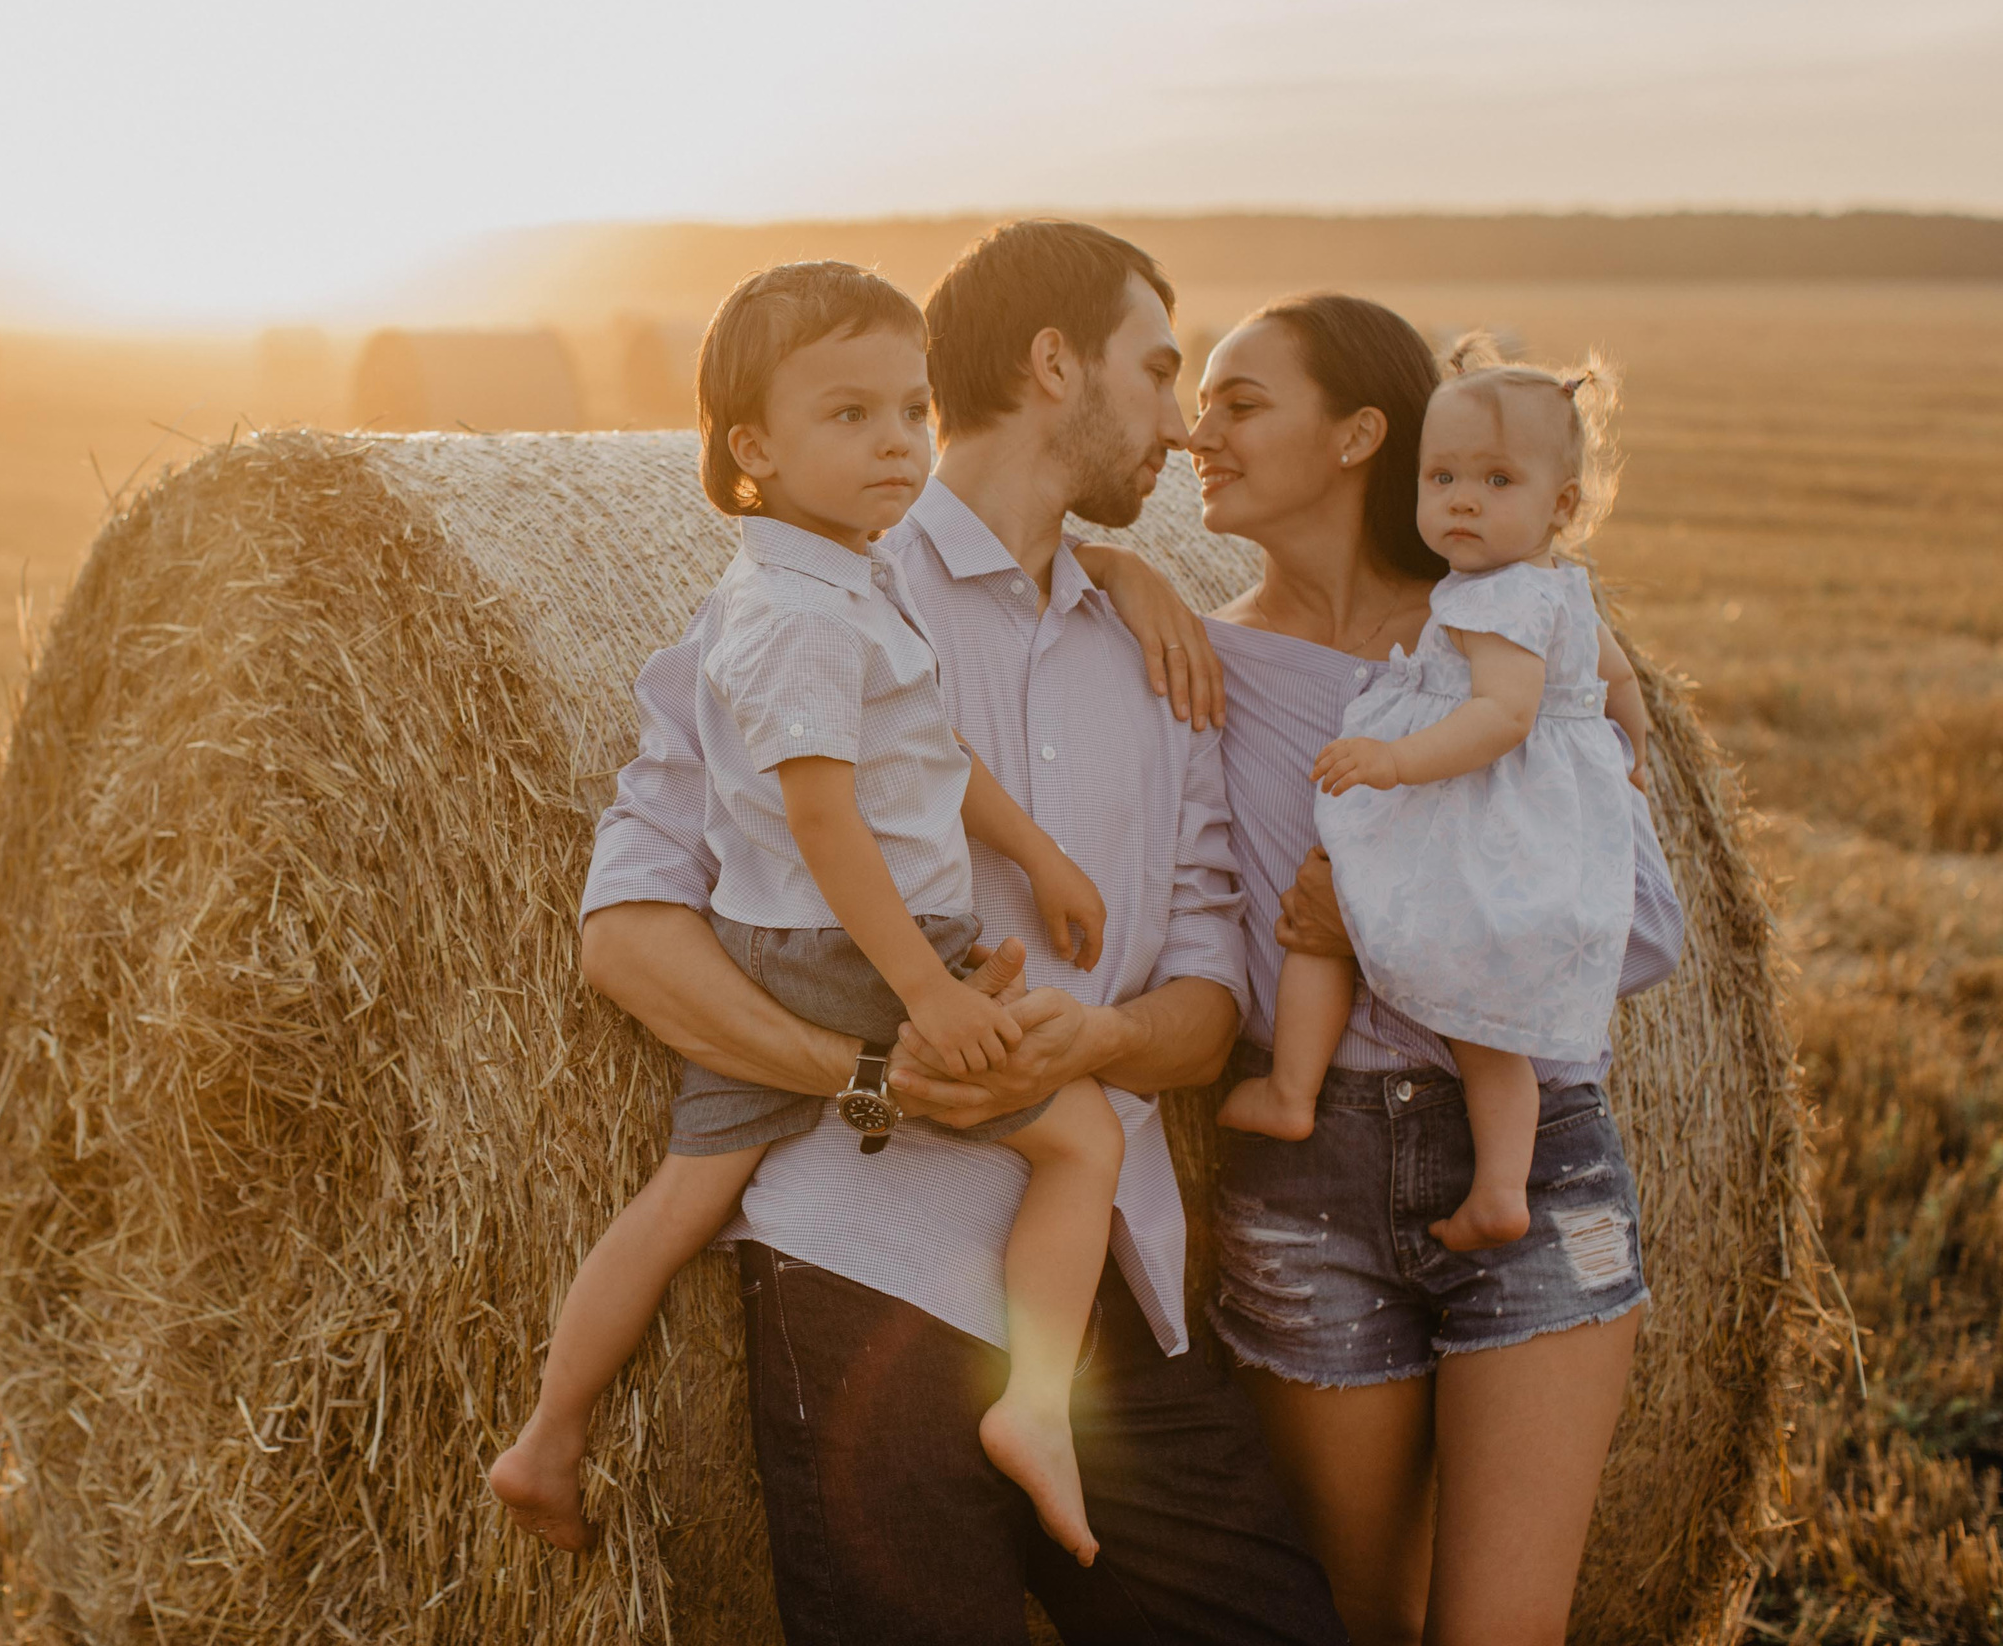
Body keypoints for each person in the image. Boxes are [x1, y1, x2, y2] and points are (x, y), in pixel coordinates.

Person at [576, 221, 1347, 1646]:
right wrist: (873, 1074)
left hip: (1104, 1284)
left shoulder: (1160, 657)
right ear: (1055, 364)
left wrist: (1106, 1035)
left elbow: (1210, 985)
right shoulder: (815, 591)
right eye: (1160, 370)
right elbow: (626, 937)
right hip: (872, 1265)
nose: (1182, 428)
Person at [489, 261, 1125, 1564]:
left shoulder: (830, 578)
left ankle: (545, 1440)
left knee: (675, 1207)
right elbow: (828, 824)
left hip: (778, 955)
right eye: (851, 416)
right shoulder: (803, 617)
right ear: (753, 449)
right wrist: (932, 992)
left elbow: (928, 750)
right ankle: (1042, 1411)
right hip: (853, 961)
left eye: (912, 410)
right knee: (1083, 1139)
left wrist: (1034, 848)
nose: (897, 440)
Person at [1079, 294, 1685, 1646]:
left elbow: (1636, 928)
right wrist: (1113, 572)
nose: (1194, 433)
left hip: (1529, 1169)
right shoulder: (1188, 666)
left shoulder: (1510, 659)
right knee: (1362, 1624)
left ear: (1360, 434)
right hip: (1308, 1190)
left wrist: (1383, 924)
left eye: (1240, 403)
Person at [1216, 343, 1650, 1253]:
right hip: (1498, 823)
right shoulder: (1555, 593)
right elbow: (1617, 676)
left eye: (1496, 480)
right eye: (1443, 476)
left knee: (1327, 903)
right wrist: (1634, 752)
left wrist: (1394, 760)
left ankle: (1297, 1090)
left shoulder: (1494, 605)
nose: (1462, 499)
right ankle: (1495, 1184)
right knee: (1481, 1023)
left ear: (1562, 506)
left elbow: (1501, 714)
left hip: (1455, 800)